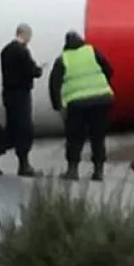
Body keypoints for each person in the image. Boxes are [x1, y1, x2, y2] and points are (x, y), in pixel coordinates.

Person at [48, 30, 114, 181]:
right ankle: (98, 171)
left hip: (77, 104)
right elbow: (109, 69)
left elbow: (54, 84)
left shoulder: (63, 59)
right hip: (101, 99)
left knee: (75, 137)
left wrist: (58, 106)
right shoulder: (92, 51)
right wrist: (103, 84)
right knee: (98, 136)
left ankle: (72, 171)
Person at [0, 23, 44, 177]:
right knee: (25, 128)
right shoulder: (22, 51)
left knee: (12, 128)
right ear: (25, 34)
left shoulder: (6, 50)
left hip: (8, 93)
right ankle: (24, 165)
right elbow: (32, 70)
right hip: (21, 94)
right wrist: (39, 70)